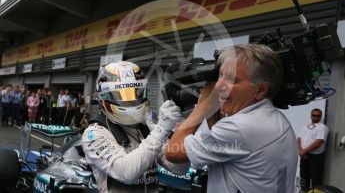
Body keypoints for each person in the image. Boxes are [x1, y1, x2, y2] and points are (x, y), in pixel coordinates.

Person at [166, 44, 298, 193]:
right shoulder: (276, 119)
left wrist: (202, 106)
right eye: (220, 76)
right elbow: (223, 147)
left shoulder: (243, 127)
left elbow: (173, 152)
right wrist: (211, 109)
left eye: (232, 79)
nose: (218, 86)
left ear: (260, 90)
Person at [81, 61, 189, 193]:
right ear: (102, 97)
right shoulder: (94, 133)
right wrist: (159, 131)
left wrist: (179, 130)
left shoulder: (145, 128)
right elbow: (126, 173)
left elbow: (179, 169)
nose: (130, 100)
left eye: (135, 93)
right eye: (120, 95)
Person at [297, 108, 329, 192]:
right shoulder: (304, 126)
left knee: (316, 180)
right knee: (304, 178)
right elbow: (299, 139)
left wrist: (304, 151)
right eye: (314, 115)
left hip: (315, 157)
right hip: (304, 156)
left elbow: (319, 142)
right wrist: (301, 151)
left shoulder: (322, 127)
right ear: (311, 116)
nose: (316, 117)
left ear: (320, 117)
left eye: (318, 116)